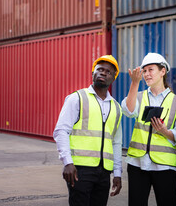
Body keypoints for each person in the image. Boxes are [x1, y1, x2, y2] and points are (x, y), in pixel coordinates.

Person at [53, 55, 123, 206]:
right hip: (79, 170)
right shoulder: (77, 98)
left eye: (108, 72)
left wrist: (117, 173)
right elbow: (61, 131)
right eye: (100, 69)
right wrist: (67, 162)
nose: (103, 73)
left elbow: (116, 142)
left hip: (104, 172)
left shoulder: (116, 107)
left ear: (113, 78)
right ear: (93, 74)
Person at [121, 53, 176, 206]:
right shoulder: (139, 96)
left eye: (151, 70)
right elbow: (128, 111)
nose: (147, 74)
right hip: (138, 163)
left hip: (165, 166)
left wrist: (165, 132)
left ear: (163, 71)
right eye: (144, 71)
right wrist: (134, 84)